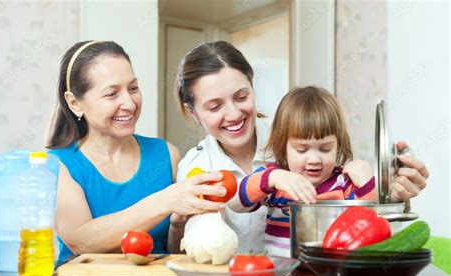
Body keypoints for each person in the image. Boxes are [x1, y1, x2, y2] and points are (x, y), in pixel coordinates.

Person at [174, 41, 429, 254]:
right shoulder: (196, 167)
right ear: (193, 111)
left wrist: (393, 194)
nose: (233, 113)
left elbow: (370, 218)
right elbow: (224, 213)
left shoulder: (296, 131)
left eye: (242, 97)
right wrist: (271, 177)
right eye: (215, 106)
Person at [47, 40, 226, 267]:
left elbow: (174, 252)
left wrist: (178, 225)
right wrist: (164, 201)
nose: (129, 103)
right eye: (112, 94)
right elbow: (82, 242)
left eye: (133, 88)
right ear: (75, 103)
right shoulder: (59, 165)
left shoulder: (166, 155)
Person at [233, 86, 376, 257]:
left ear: (338, 146)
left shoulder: (344, 184)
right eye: (302, 150)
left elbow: (367, 228)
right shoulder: (278, 180)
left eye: (325, 149)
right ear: (282, 147)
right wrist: (272, 177)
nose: (314, 159)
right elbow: (235, 202)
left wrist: (367, 185)